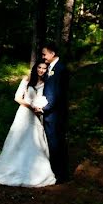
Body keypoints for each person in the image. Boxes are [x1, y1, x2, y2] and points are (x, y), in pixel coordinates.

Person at [0, 61, 56, 187]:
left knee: (36, 141)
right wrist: (31, 106)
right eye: (39, 67)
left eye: (44, 68)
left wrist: (40, 108)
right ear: (35, 68)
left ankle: (38, 172)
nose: (41, 70)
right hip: (24, 113)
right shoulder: (27, 79)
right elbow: (17, 98)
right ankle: (12, 168)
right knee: (19, 139)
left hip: (36, 116)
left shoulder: (46, 83)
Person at [35, 42, 70, 183]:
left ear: (52, 53)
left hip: (56, 114)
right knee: (53, 143)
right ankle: (56, 172)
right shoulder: (51, 68)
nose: (43, 57)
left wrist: (44, 108)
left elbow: (57, 95)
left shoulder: (60, 69)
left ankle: (60, 175)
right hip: (52, 113)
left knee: (56, 143)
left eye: (44, 54)